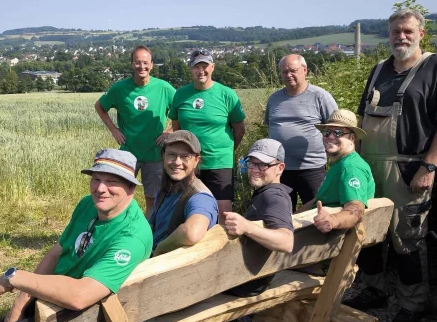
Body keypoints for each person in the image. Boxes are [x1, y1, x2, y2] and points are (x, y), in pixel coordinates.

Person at [0, 149, 153, 322]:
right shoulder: (88, 205)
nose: (100, 188)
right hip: (57, 302)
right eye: (96, 178)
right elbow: (57, 252)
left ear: (131, 188)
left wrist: (14, 277)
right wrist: (21, 303)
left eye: (112, 181)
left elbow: (79, 297)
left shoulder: (131, 238)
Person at [345, 9, 437, 322]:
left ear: (421, 33)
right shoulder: (378, 70)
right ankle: (374, 290)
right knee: (367, 233)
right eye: (396, 31)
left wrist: (429, 166)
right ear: (389, 35)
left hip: (409, 169)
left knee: (407, 238)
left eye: (408, 31)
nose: (401, 36)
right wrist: (351, 162)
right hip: (368, 167)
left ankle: (413, 303)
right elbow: (361, 120)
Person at [142, 130, 220, 322]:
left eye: (185, 157)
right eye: (171, 155)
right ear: (163, 156)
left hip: (172, 274)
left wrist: (158, 251)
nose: (177, 162)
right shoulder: (167, 187)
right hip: (161, 267)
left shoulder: (199, 196)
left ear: (197, 160)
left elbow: (192, 232)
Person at [95, 45, 176, 216]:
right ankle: (120, 226)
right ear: (132, 64)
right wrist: (114, 130)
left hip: (155, 153)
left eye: (145, 63)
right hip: (127, 153)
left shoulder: (164, 88)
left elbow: (182, 111)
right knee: (120, 195)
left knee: (152, 199)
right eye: (137, 62)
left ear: (152, 65)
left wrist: (169, 131)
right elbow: (100, 106)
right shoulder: (119, 88)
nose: (142, 66)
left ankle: (149, 229)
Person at [169, 49, 246, 222]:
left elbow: (240, 129)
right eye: (196, 66)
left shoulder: (227, 94)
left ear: (212, 67)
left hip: (219, 162)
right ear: (191, 69)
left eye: (205, 66)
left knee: (223, 212)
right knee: (188, 209)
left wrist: (227, 151)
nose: (201, 71)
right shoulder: (181, 94)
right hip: (189, 163)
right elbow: (177, 129)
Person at [222, 138, 295, 295]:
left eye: (263, 165)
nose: (255, 170)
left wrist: (246, 226)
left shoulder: (273, 197)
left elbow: (287, 242)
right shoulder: (268, 192)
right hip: (250, 277)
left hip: (245, 283)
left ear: (280, 168)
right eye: (252, 163)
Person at [265, 54, 338, 210]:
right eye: (284, 72)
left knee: (316, 212)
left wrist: (335, 157)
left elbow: (335, 128)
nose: (288, 75)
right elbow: (269, 126)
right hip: (280, 169)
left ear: (305, 70)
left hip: (312, 168)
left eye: (293, 70)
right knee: (280, 212)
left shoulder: (320, 96)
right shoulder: (274, 99)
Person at [297, 109, 375, 236]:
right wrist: (291, 218)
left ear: (352, 138)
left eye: (338, 132)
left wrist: (332, 221)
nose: (331, 137)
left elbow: (356, 210)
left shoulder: (351, 168)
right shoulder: (341, 163)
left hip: (328, 238)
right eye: (327, 132)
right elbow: (318, 200)